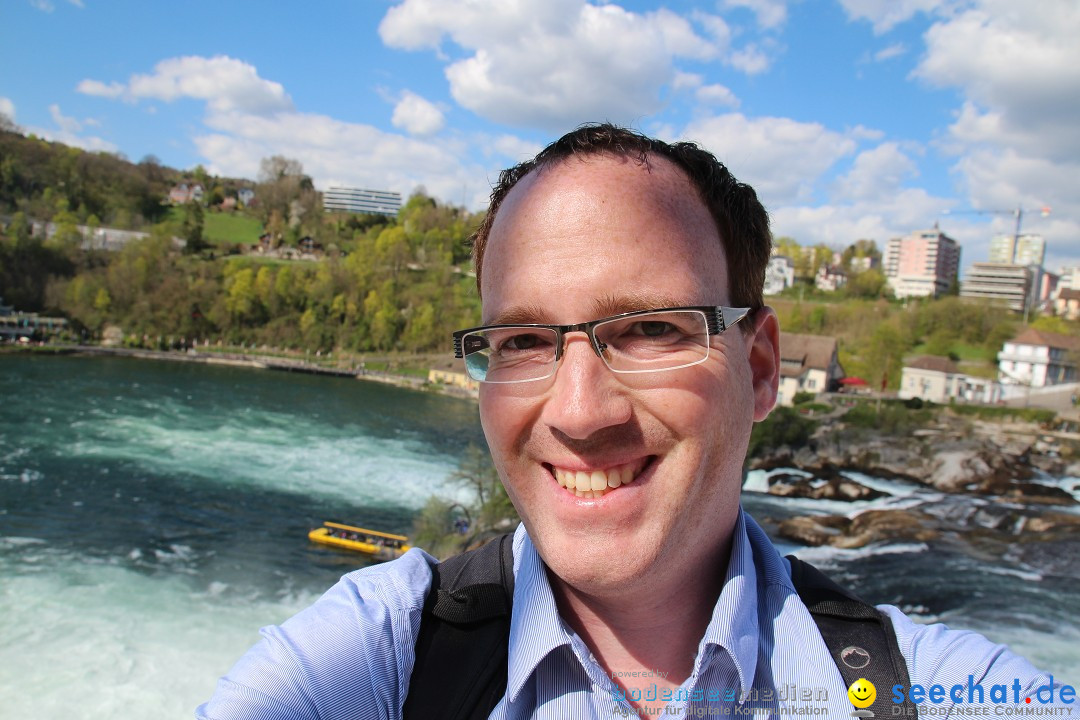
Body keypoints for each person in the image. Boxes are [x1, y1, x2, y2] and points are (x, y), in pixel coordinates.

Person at [198, 124, 1074, 719]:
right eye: (524, 339)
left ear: (760, 368)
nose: (579, 413)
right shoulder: (386, 659)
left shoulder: (929, 689)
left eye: (651, 328)